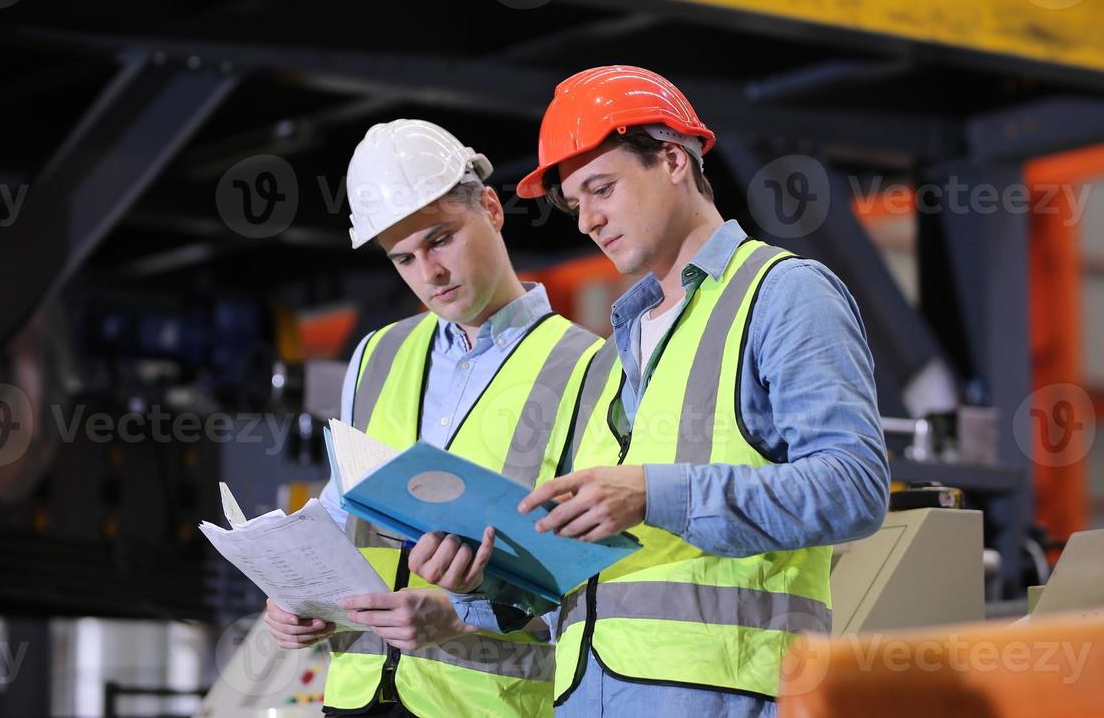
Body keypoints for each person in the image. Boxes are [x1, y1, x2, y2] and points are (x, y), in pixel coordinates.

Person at [422, 66, 890, 716]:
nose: (586, 219)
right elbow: (585, 574)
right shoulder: (611, 355)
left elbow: (854, 488)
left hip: (727, 696)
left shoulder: (782, 294)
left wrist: (652, 494)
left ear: (672, 159)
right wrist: (486, 581)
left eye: (601, 188)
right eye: (574, 202)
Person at [263, 118, 605, 718]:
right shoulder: (376, 355)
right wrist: (296, 594)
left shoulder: (590, 367)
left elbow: (593, 578)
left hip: (486, 703)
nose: (430, 274)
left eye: (441, 239)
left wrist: (460, 612)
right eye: (404, 258)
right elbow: (343, 508)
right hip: (357, 694)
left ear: (493, 209)